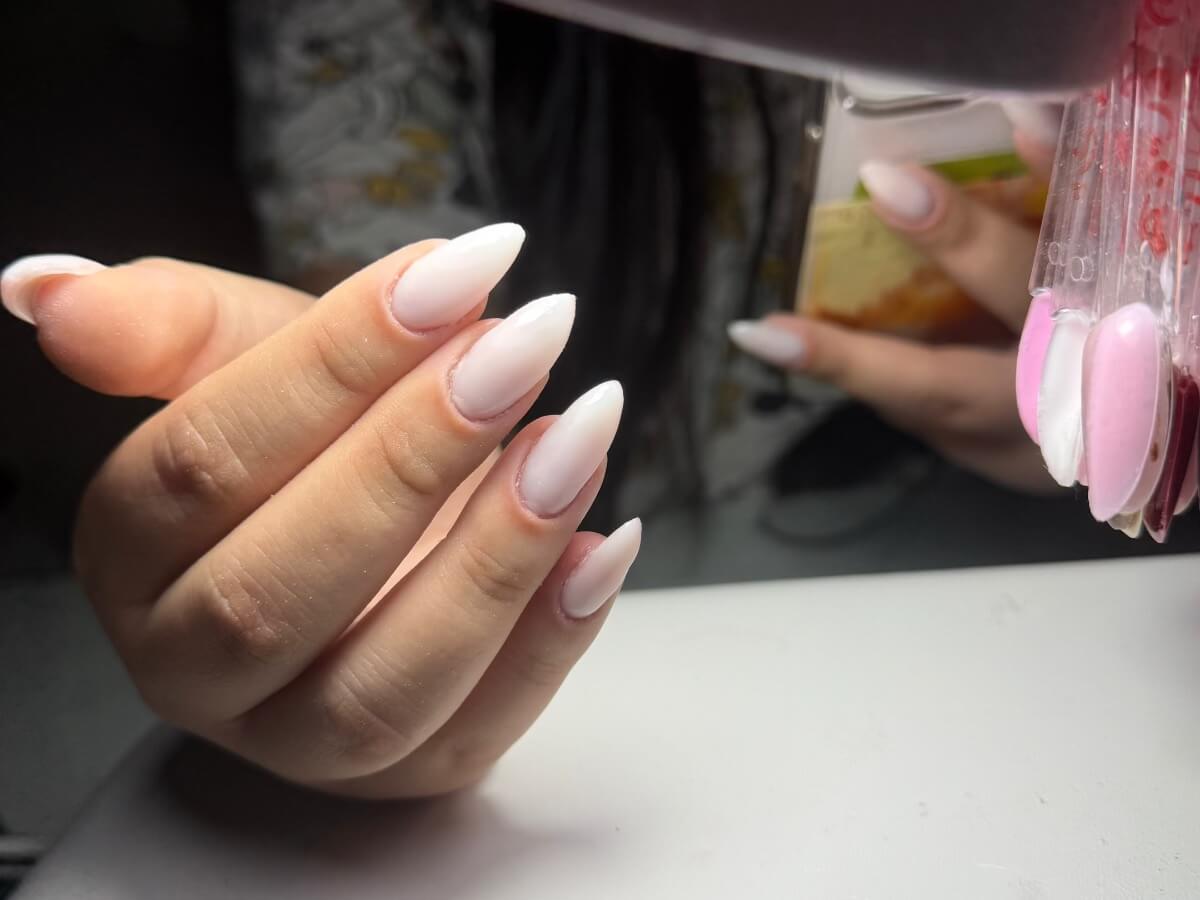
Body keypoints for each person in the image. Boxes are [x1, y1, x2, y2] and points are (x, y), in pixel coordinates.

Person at [0, 6, 1061, 797]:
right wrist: (353, 566)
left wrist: (1115, 439)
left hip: (995, 617)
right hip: (669, 674)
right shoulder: (380, 36)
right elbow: (372, 305)